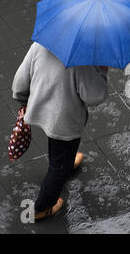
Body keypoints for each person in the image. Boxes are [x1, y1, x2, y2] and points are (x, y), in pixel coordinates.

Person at [12, 42, 109, 221]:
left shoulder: (41, 44)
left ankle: (68, 159)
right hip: (63, 122)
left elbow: (20, 82)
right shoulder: (82, 60)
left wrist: (23, 99)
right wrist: (102, 72)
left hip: (38, 108)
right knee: (58, 167)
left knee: (59, 148)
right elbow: (95, 96)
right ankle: (42, 207)